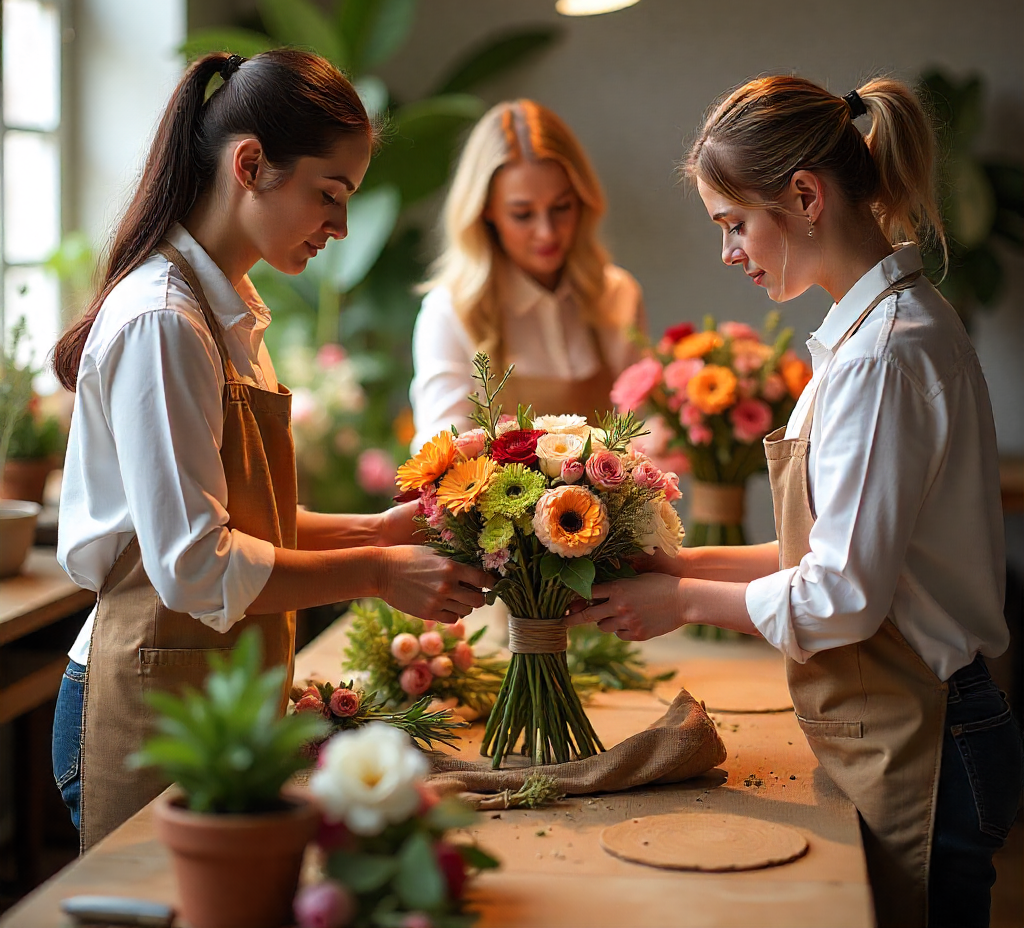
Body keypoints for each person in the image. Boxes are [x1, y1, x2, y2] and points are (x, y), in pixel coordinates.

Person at [565, 76, 1022, 928]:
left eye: (734, 224)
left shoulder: (885, 356)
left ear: (805, 196)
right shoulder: (866, 336)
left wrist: (680, 599)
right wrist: (680, 561)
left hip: (933, 736)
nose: (730, 252)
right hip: (910, 719)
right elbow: (827, 556)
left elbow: (844, 596)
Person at [50, 50, 490, 850]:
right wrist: (379, 572)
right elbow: (195, 563)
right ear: (250, 164)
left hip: (212, 682)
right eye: (330, 194)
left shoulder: (230, 312)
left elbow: (255, 520)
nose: (341, 227)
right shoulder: (163, 320)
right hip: (147, 691)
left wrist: (378, 530)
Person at [410, 99, 645, 449]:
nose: (547, 232)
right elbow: (439, 452)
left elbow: (644, 430)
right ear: (485, 211)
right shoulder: (450, 310)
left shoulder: (617, 293)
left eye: (561, 207)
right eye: (523, 214)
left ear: (583, 200)